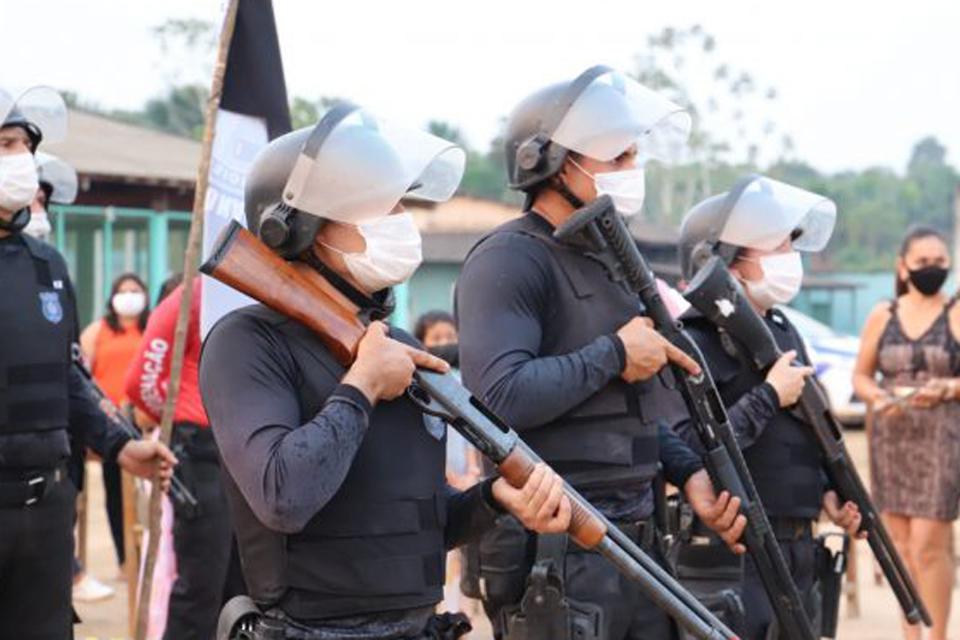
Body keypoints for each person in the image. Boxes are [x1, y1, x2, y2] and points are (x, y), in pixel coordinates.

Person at [200, 103, 574, 640]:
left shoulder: (395, 346)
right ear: (297, 229)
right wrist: (362, 386)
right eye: (379, 209)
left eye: (400, 206)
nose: (400, 222)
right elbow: (283, 496)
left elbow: (414, 519)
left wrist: (493, 502)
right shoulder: (246, 343)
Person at [455, 66, 746, 640]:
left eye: (634, 156)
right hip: (553, 551)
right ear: (556, 163)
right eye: (617, 158)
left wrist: (688, 473)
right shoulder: (508, 259)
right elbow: (498, 398)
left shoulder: (608, 262)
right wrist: (612, 353)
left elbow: (627, 411)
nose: (630, 172)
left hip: (639, 543)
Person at [0, 84, 176, 640]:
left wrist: (121, 443)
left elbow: (68, 373)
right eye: (4, 145)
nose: (19, 161)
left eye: (22, 146)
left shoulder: (45, 264)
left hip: (47, 506)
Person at [675, 175, 864, 639]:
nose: (790, 259)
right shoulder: (690, 340)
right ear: (725, 264)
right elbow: (694, 452)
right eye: (775, 248)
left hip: (800, 545)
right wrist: (768, 396)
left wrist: (826, 492)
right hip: (735, 552)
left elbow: (802, 431)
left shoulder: (782, 330)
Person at [853, 225, 960, 640]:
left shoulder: (955, 311)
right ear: (903, 266)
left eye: (939, 261)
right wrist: (878, 398)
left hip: (941, 437)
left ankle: (937, 636)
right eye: (923, 262)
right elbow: (861, 376)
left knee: (930, 544)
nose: (932, 269)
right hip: (891, 436)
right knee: (899, 545)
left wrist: (947, 387)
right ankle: (909, 634)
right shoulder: (884, 314)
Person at [125, 276, 245, 640]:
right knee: (201, 584)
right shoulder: (194, 294)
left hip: (245, 447)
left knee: (244, 586)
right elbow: (141, 382)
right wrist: (183, 415)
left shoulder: (259, 287)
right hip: (201, 449)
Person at [79, 273, 150, 577]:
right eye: (123, 291)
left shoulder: (151, 328)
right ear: (112, 297)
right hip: (108, 422)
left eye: (135, 291)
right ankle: (124, 559)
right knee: (115, 494)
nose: (130, 296)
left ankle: (143, 557)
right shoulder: (98, 331)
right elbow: (82, 374)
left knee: (145, 496)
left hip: (143, 422)